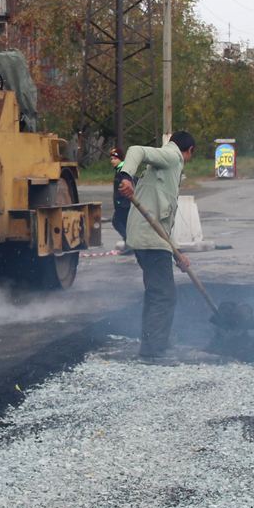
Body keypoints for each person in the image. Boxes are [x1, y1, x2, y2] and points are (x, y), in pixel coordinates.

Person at [116, 132, 195, 360]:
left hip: (150, 237)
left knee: (158, 293)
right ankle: (153, 350)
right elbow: (136, 150)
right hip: (149, 239)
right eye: (190, 156)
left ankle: (156, 342)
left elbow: (162, 220)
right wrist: (126, 176)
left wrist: (177, 253)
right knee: (163, 294)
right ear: (189, 150)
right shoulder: (172, 156)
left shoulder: (167, 172)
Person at [108, 147, 130, 246]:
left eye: (115, 159)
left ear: (120, 159)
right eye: (111, 159)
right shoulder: (120, 169)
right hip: (122, 203)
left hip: (123, 203)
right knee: (124, 223)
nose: (112, 161)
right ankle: (128, 243)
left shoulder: (122, 170)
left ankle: (128, 242)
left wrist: (121, 202)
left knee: (117, 221)